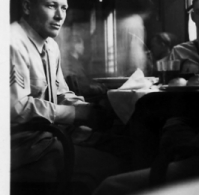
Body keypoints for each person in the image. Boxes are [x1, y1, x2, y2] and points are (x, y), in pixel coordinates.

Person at [92, 0, 199, 194]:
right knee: (165, 134)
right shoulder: (179, 52)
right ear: (193, 17)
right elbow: (167, 93)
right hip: (185, 120)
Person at [10, 0, 128, 193]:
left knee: (122, 145)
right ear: (27, 7)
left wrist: (89, 108)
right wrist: (76, 114)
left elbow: (61, 93)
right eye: (51, 5)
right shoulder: (11, 42)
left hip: (50, 137)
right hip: (22, 150)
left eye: (64, 8)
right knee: (114, 168)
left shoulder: (51, 46)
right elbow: (16, 108)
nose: (59, 15)